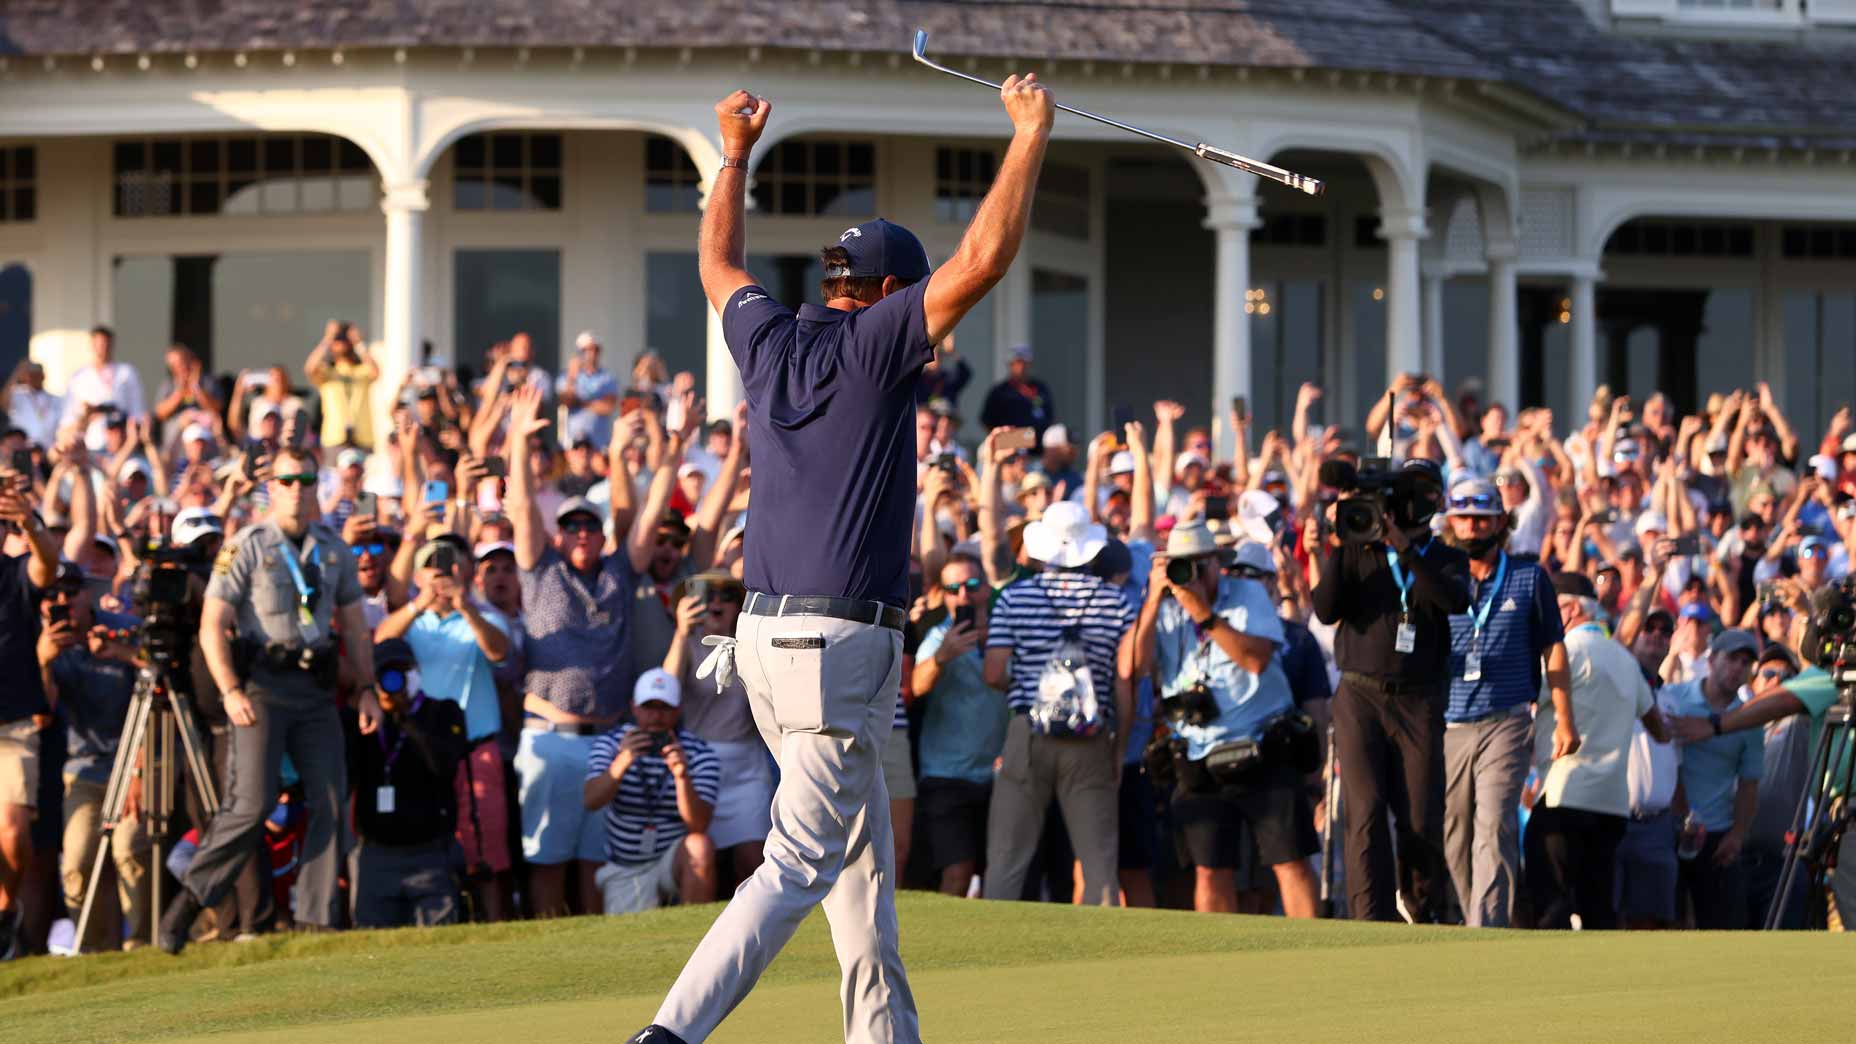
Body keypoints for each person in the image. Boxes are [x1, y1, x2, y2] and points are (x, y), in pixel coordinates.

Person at [634, 75, 1054, 1044]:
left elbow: (715, 260)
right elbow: (985, 255)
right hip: (832, 648)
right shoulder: (875, 346)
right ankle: (665, 1035)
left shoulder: (773, 338)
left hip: (774, 644)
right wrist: (1027, 135)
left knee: (863, 881)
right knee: (797, 864)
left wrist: (734, 152)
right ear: (892, 296)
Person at [158, 445, 378, 954]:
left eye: (305, 479)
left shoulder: (333, 549)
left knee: (327, 801)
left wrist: (365, 688)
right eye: (286, 481)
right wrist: (230, 689)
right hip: (263, 687)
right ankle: (191, 901)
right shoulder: (247, 545)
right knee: (251, 805)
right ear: (270, 488)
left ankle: (318, 920)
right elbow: (213, 624)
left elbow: (352, 626)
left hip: (317, 689)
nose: (297, 490)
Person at [506, 382, 667, 919]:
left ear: (601, 537)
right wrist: (519, 440)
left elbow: (649, 516)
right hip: (550, 738)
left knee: (595, 861)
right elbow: (521, 505)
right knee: (548, 860)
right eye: (570, 524)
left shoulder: (620, 572)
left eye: (589, 526)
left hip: (609, 740)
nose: (580, 532)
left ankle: (593, 957)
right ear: (559, 535)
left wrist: (671, 441)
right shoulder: (539, 568)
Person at [1310, 459, 1470, 923]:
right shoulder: (1359, 552)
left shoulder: (1445, 556)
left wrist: (1404, 548)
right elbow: (1325, 609)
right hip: (1360, 694)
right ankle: (1370, 919)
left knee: (1420, 815)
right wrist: (1342, 540)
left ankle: (1423, 910)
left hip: (1419, 698)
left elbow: (1453, 599)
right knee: (1366, 810)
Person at [1134, 522, 1320, 917]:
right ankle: (1215, 963)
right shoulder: (1162, 607)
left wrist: (1203, 613)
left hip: (1263, 746)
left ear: (1216, 564)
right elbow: (1134, 669)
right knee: (1209, 871)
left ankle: (1311, 955)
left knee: (1289, 862)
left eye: (1198, 565)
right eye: (1181, 566)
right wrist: (1151, 602)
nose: (1191, 576)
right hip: (1200, 754)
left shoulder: (1247, 594)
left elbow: (1254, 659)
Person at [981, 499, 1134, 910]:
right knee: (1099, 861)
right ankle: (1103, 962)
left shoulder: (1015, 598)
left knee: (1007, 858)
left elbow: (993, 673)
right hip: (1090, 736)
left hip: (1028, 732)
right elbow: (1125, 681)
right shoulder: (1115, 602)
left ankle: (991, 952)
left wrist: (1034, 688)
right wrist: (1119, 747)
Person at [1439, 478, 1574, 928]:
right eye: (1464, 519)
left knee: (1494, 827)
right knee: (1455, 836)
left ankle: (1486, 930)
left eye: (1482, 519)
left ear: (1501, 522)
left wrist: (1564, 719)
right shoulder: (1439, 580)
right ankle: (1475, 918)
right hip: (1449, 722)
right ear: (1450, 523)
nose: (1473, 528)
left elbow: (1553, 647)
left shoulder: (1529, 577)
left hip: (1507, 720)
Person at [373, 536, 515, 921]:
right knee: (431, 847)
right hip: (424, 753)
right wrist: (420, 603)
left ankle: (496, 931)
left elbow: (499, 651)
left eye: (449, 567)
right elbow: (380, 642)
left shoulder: (482, 616)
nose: (441, 575)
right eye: (431, 568)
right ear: (417, 575)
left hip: (474, 747)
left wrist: (464, 606)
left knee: (487, 852)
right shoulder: (410, 621)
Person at [1523, 574, 1665, 931]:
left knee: (1550, 908)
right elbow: (1659, 730)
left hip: (1564, 795)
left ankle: (1549, 984)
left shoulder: (1562, 653)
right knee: (1597, 909)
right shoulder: (1626, 661)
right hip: (1611, 806)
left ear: (1570, 609)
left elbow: (1522, 707)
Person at [38, 564, 149, 951]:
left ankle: (141, 946)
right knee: (77, 862)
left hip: (136, 762)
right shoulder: (47, 643)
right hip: (82, 770)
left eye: (71, 591)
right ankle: (95, 954)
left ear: (87, 593)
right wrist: (44, 662)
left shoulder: (123, 626)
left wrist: (122, 652)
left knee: (128, 851)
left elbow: (161, 682)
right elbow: (42, 714)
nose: (63, 602)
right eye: (53, 595)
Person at [345, 638, 472, 929]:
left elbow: (443, 765)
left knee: (437, 950)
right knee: (373, 949)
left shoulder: (443, 712)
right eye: (385, 673)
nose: (394, 681)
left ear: (416, 671)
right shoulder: (363, 721)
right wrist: (367, 708)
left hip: (430, 853)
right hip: (376, 855)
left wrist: (407, 717)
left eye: (401, 671)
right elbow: (347, 771)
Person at [664, 572, 773, 884]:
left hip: (747, 767)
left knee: (752, 860)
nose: (716, 602)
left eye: (726, 596)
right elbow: (664, 694)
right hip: (698, 764)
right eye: (707, 594)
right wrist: (680, 634)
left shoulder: (752, 647)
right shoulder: (687, 644)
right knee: (703, 860)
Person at [910, 553, 1009, 898]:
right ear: (944, 594)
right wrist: (942, 657)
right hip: (946, 775)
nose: (963, 595)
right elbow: (916, 686)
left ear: (986, 589)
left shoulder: (1004, 632)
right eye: (953, 588)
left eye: (971, 585)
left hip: (999, 774)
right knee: (957, 873)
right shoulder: (938, 637)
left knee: (997, 876)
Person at [583, 668, 719, 915]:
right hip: (625, 866)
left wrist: (681, 776)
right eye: (648, 707)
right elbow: (591, 800)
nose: (656, 716)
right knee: (626, 946)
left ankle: (694, 937)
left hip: (671, 858)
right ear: (634, 707)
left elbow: (699, 825)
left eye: (665, 708)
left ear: (678, 710)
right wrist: (623, 761)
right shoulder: (611, 744)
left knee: (700, 846)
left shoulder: (699, 752)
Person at [1661, 627, 1763, 929]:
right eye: (1732, 658)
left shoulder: (1751, 719)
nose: (1738, 668)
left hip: (1717, 837)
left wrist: (1738, 835)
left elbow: (1749, 783)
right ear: (1711, 659)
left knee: (1722, 933)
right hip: (1668, 830)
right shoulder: (1674, 698)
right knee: (1664, 928)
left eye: (1746, 662)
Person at [0, 468, 59, 960]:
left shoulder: (16, 575)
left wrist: (31, 523)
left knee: (14, 831)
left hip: (14, 723)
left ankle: (5, 909)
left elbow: (48, 565)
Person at [1617, 609, 1682, 929]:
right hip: (1614, 818)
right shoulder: (1616, 685)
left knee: (1652, 924)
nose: (1657, 634)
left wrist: (1684, 818)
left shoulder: (1672, 699)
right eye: (1649, 628)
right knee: (1605, 916)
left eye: (1665, 630)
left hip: (1658, 826)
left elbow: (1677, 768)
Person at [62, 326, 148, 452]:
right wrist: (88, 413)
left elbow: (138, 410)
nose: (102, 349)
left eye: (106, 344)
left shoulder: (127, 373)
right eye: (98, 344)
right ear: (91, 345)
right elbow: (68, 417)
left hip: (121, 442)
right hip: (91, 441)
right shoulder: (79, 377)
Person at [305, 320, 380, 451]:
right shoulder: (328, 372)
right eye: (338, 340)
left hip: (362, 438)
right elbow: (310, 369)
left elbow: (376, 372)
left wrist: (358, 343)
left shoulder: (362, 370)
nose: (342, 343)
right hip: (334, 438)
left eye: (345, 340)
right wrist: (328, 338)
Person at [558, 331, 621, 451]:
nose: (591, 353)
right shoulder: (566, 376)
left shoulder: (608, 378)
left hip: (599, 445)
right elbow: (566, 401)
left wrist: (580, 402)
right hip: (571, 445)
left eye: (595, 349)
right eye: (587, 350)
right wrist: (572, 378)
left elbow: (608, 407)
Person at [979, 344, 1056, 437]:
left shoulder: (1041, 388)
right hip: (1011, 446)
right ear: (1010, 364)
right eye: (1018, 362)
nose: (1021, 367)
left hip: (1039, 446)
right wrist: (1001, 440)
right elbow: (986, 422)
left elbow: (1050, 417)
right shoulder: (1000, 392)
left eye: (1025, 362)